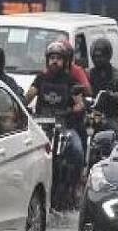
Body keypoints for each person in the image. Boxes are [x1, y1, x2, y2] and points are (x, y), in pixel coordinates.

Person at [26, 40, 86, 168]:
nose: (55, 61)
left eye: (58, 58)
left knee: (77, 150)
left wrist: (72, 110)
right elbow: (28, 97)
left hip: (65, 127)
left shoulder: (70, 80)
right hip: (42, 127)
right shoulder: (41, 78)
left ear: (64, 61)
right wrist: (21, 107)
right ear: (47, 60)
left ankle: (77, 182)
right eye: (52, 58)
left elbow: (80, 104)